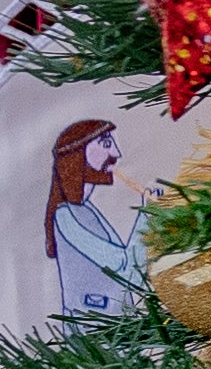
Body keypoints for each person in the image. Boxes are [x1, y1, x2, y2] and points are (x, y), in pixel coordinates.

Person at [45, 119, 142, 321]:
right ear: (77, 155)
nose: (116, 154)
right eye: (106, 144)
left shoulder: (86, 210)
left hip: (117, 327)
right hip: (95, 334)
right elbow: (124, 268)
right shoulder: (66, 216)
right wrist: (148, 216)